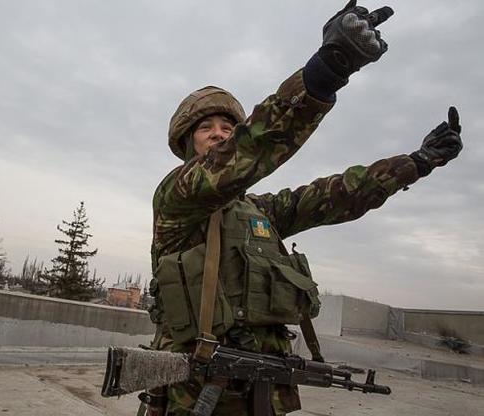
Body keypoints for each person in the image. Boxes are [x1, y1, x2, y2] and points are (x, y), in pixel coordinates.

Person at [146, 1, 463, 415]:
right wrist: (328, 68)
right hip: (193, 395)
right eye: (206, 129)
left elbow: (332, 196)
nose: (219, 135)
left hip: (261, 393)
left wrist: (416, 163)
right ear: (188, 144)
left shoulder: (259, 212)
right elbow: (252, 147)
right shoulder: (178, 199)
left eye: (228, 127)